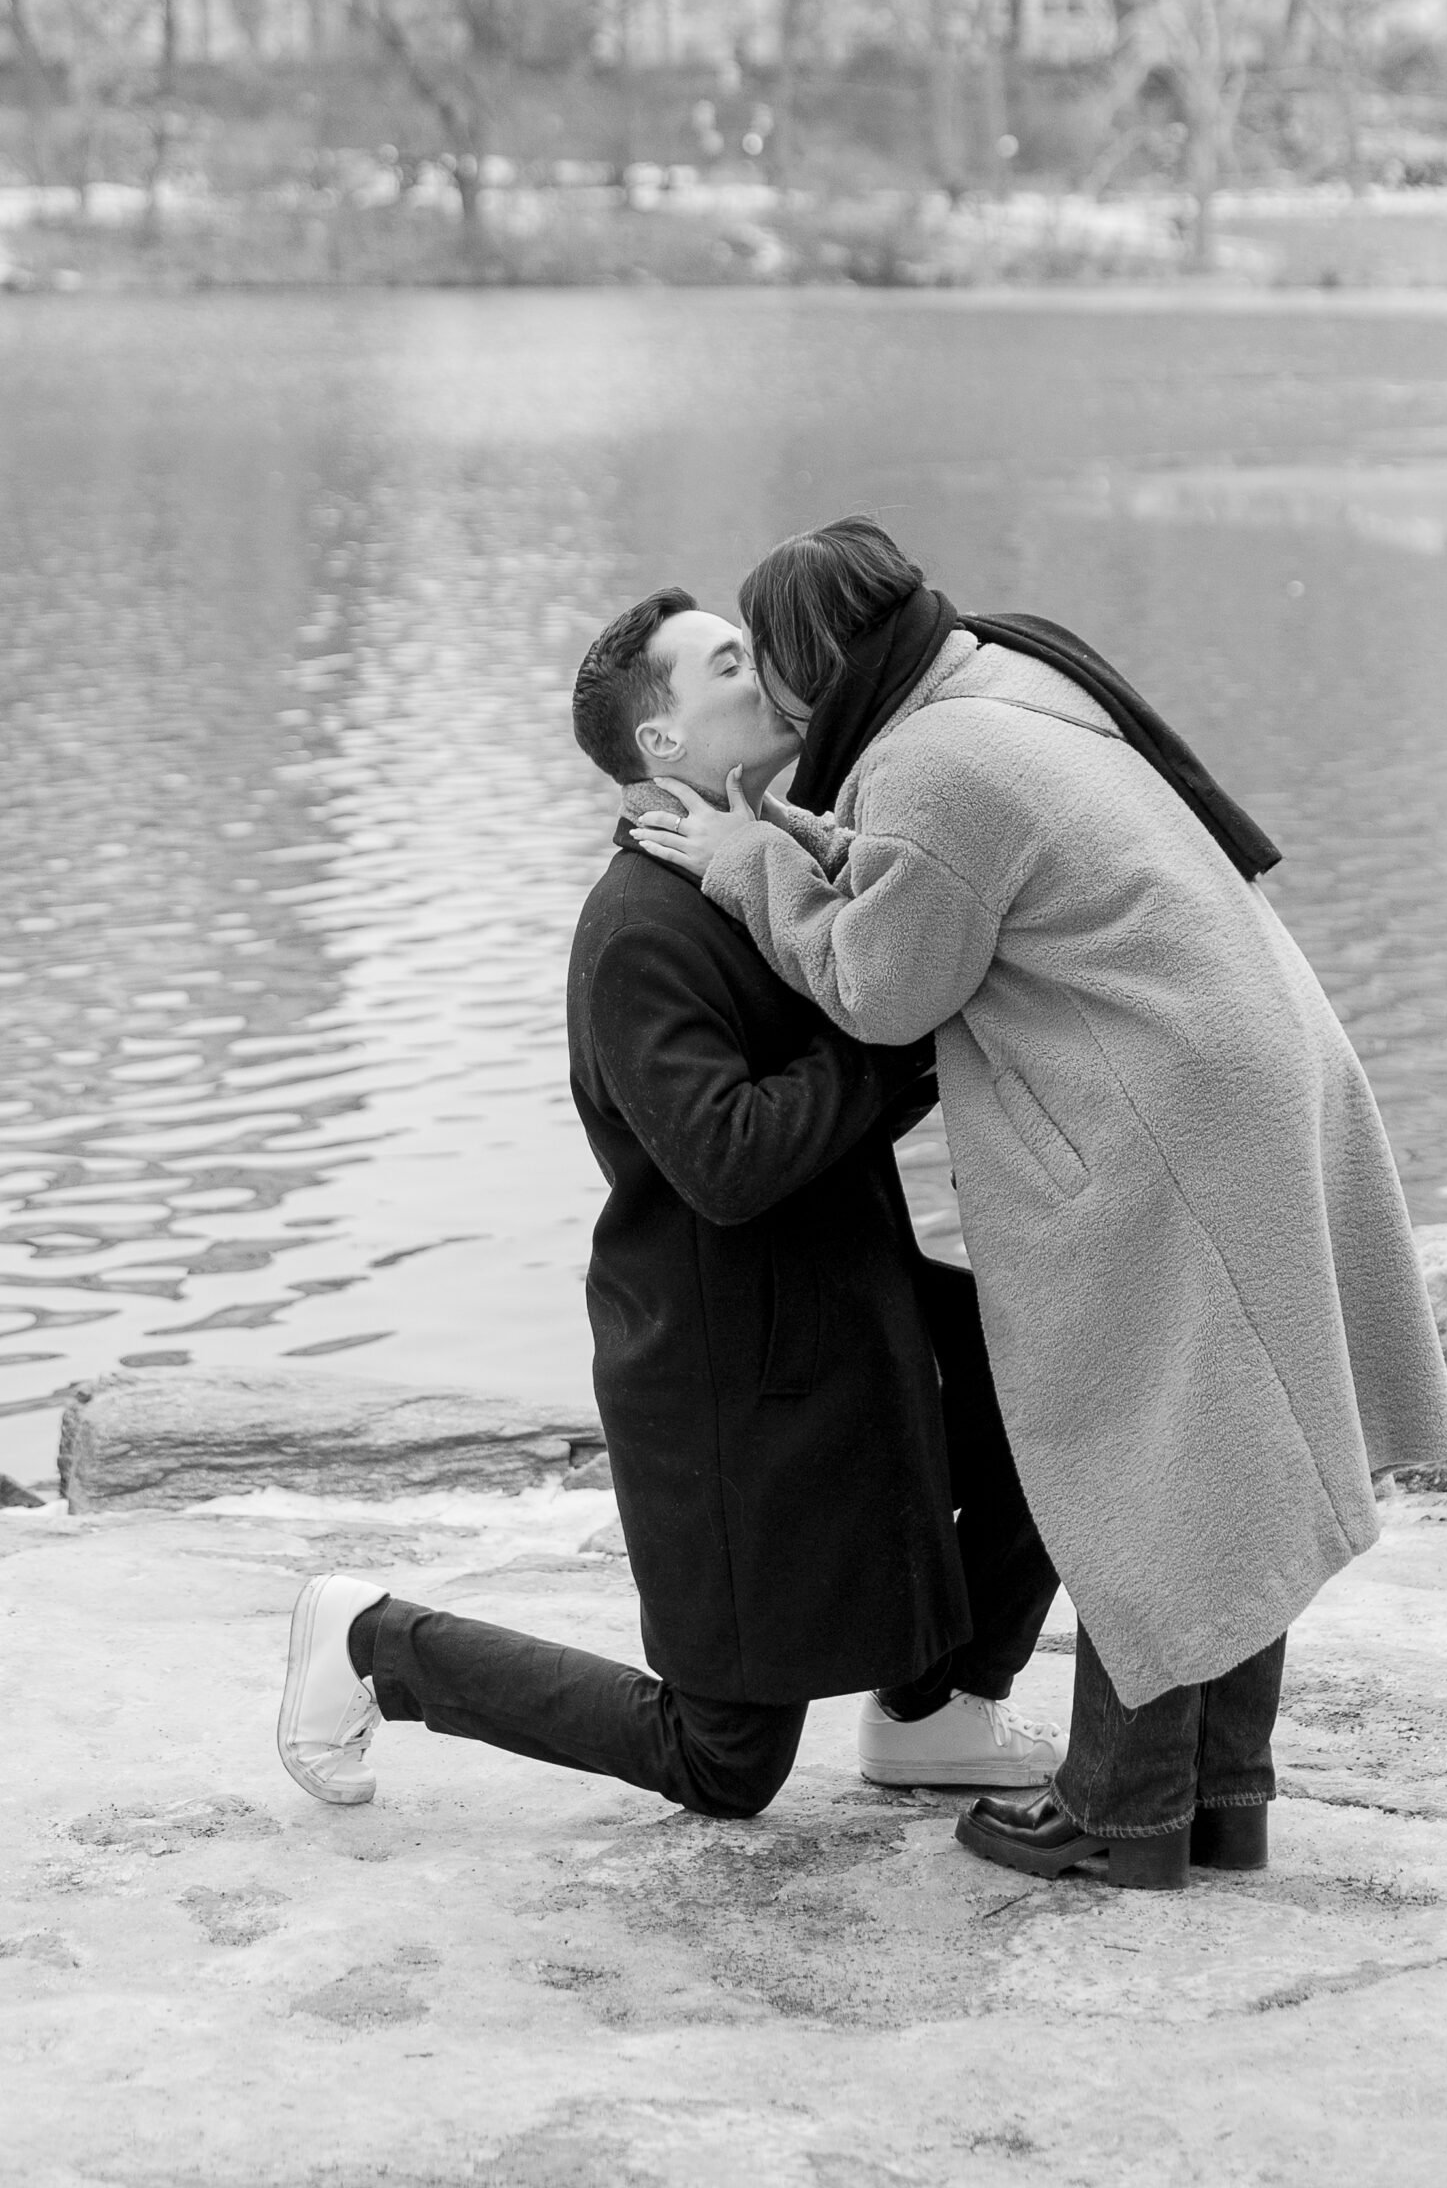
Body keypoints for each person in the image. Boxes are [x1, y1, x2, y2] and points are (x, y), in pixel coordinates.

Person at [631, 520, 1447, 1889]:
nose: (775, 703)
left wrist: (744, 868)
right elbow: (950, 882)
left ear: (819, 659)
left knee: (1145, 1456)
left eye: (772, 664)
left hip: (1175, 1109)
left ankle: (1119, 1809)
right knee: (1227, 1439)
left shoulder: (929, 759)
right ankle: (1214, 1795)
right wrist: (811, 842)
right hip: (1248, 1066)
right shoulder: (1001, 679)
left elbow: (884, 984)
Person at [277, 587, 1061, 1820]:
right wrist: (889, 1043)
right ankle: (373, 1642)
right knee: (726, 1762)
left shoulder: (769, 856)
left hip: (850, 1311)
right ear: (661, 744)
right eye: (733, 667)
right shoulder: (638, 928)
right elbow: (728, 1160)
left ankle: (934, 1710)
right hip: (728, 1378)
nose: (770, 677)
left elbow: (866, 1013)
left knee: (1053, 1400)